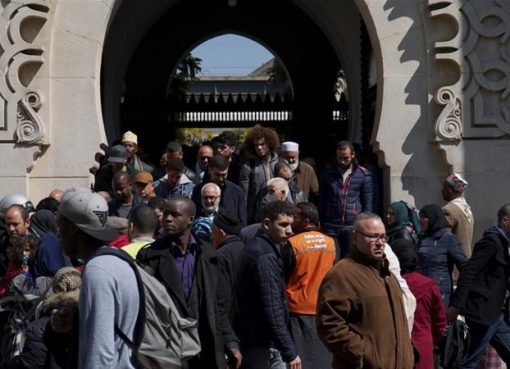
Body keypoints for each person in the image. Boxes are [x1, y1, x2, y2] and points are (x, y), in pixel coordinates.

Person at [136, 197, 242, 369]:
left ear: (190, 220)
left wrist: (230, 342)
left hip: (204, 348)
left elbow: (219, 307)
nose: (167, 219)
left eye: (175, 215)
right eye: (166, 214)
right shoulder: (150, 257)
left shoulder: (210, 257)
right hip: (167, 348)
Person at [316, 213, 414, 369]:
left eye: (383, 237)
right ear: (355, 238)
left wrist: (408, 353)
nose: (380, 243)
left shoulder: (387, 274)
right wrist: (364, 355)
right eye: (373, 237)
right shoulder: (342, 274)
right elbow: (330, 325)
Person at [57, 187, 138, 369]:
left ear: (72, 228)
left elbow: (100, 352)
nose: (58, 235)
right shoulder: (115, 260)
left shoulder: (98, 270)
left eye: (60, 226)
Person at [234, 200, 302, 369]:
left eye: (291, 225)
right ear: (266, 224)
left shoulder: (261, 249)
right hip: (263, 345)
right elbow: (272, 306)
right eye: (283, 225)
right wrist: (289, 351)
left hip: (257, 341)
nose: (290, 231)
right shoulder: (264, 256)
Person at [447, 204, 510, 369]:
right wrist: (457, 305)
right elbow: (469, 271)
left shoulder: (505, 244)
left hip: (497, 314)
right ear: (505, 220)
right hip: (484, 313)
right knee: (470, 362)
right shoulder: (491, 242)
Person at [282, 202, 335, 369]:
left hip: (297, 309)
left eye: (295, 217)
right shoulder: (331, 243)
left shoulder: (292, 243)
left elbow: (283, 275)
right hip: (322, 306)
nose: (292, 221)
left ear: (305, 221)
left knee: (300, 361)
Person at [392, 239, 446, 369]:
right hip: (424, 345)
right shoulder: (429, 285)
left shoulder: (390, 285)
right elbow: (439, 321)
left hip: (398, 347)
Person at [319, 140, 372, 259]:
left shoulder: (364, 175)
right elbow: (322, 200)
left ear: (353, 155)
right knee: (333, 260)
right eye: (339, 158)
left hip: (352, 227)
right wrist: (321, 223)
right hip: (331, 226)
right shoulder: (327, 173)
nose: (342, 161)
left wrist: (365, 226)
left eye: (346, 158)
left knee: (350, 262)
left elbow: (367, 203)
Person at [417, 204, 467, 308]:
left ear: (432, 218)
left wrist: (460, 296)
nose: (421, 220)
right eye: (420, 217)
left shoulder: (448, 239)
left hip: (441, 295)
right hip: (422, 292)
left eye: (424, 217)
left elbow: (465, 266)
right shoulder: (421, 240)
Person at [238, 124, 280, 224]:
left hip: (278, 211)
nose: (259, 148)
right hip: (256, 215)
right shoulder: (248, 166)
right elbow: (243, 195)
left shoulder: (279, 162)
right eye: (256, 145)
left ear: (270, 143)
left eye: (262, 144)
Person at [192, 155, 247, 227]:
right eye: (217, 175)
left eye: (224, 175)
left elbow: (242, 223)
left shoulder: (237, 192)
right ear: (209, 170)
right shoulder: (198, 190)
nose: (220, 179)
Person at [442, 173, 474, 257]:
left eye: (444, 187)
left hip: (453, 265)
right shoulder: (467, 209)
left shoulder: (449, 210)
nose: (442, 191)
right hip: (465, 261)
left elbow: (443, 240)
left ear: (450, 190)